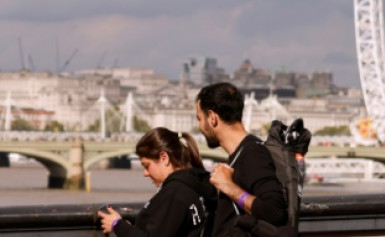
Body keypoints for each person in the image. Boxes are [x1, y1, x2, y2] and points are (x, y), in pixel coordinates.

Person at [195, 82, 287, 236]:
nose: (199, 127)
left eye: (199, 119)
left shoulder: (253, 154)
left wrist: (228, 187)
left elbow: (274, 211)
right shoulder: (243, 154)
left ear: (212, 118)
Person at [97, 127, 216, 236]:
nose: (145, 173)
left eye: (147, 166)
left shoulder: (174, 194)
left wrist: (117, 225)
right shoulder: (196, 185)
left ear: (164, 158)